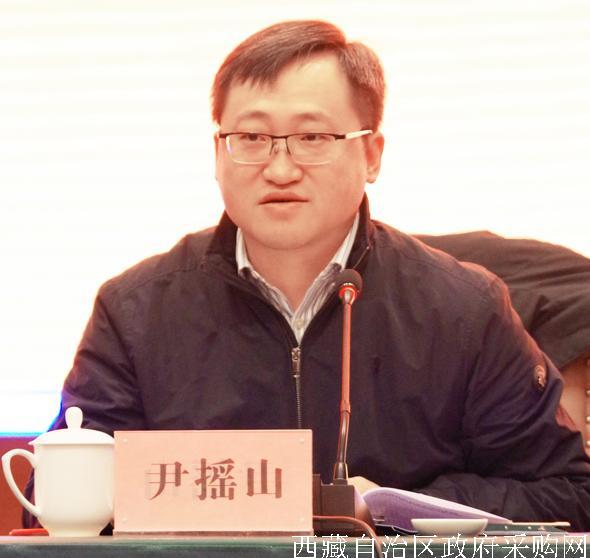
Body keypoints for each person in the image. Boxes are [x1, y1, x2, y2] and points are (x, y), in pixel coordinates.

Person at [27, 20, 590, 530]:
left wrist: (395, 506)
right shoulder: (136, 312)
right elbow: (60, 506)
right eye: (251, 138)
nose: (279, 168)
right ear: (218, 153)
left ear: (372, 154)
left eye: (312, 138)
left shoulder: (464, 309)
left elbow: (567, 495)